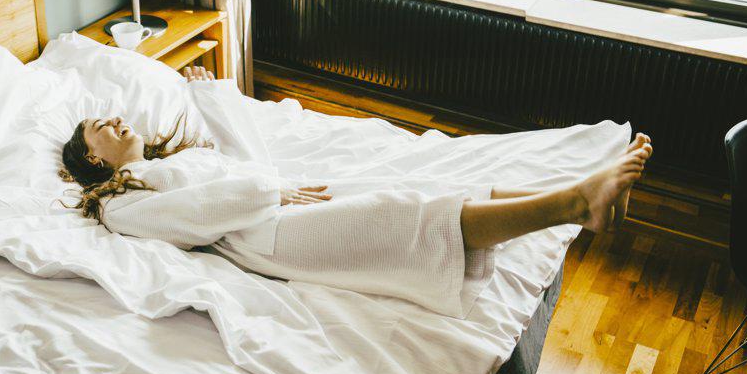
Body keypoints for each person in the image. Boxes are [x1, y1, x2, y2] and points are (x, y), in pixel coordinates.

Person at [60, 65, 652, 315]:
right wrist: (269, 194)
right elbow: (187, 218)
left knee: (427, 182)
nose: (115, 120)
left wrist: (211, 97)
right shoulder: (119, 203)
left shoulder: (180, 158)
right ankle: (578, 204)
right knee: (404, 213)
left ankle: (578, 188)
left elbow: (249, 160)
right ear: (92, 157)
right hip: (265, 234)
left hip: (277, 204)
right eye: (100, 127)